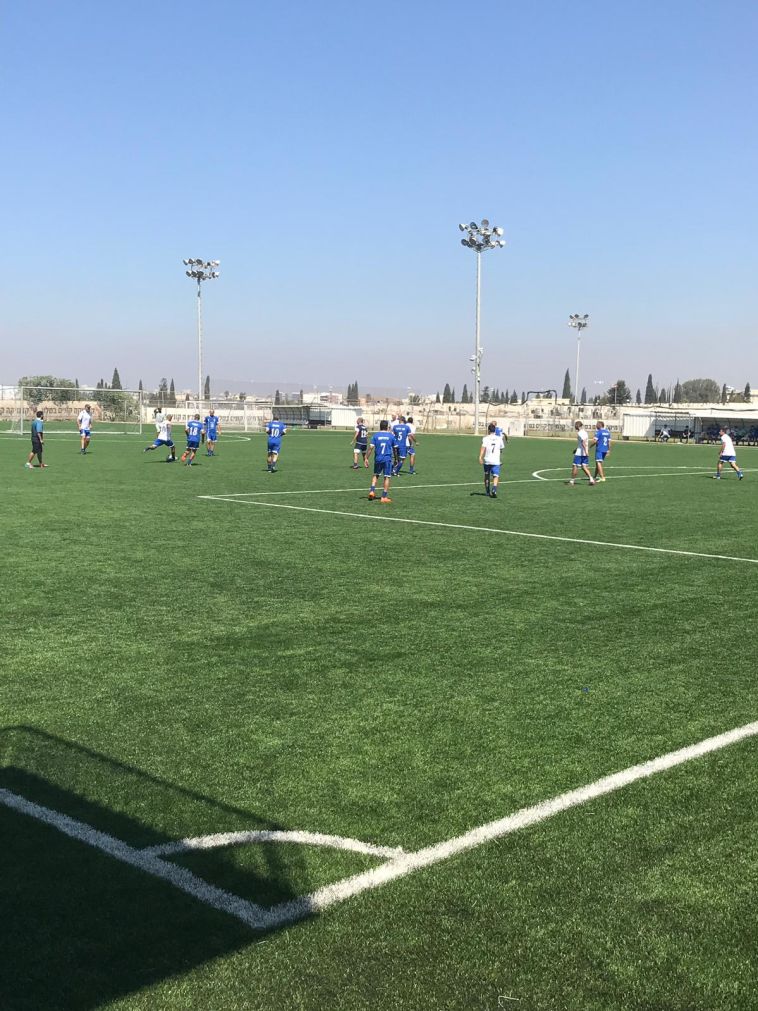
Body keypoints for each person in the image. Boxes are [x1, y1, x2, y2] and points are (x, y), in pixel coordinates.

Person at [365, 419, 397, 502]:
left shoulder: (375, 436)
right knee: (387, 477)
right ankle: (384, 497)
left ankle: (372, 491)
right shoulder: (391, 436)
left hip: (378, 459)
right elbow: (395, 449)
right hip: (387, 459)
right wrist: (396, 459)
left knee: (376, 475)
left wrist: (366, 458)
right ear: (387, 427)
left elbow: (371, 448)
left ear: (380, 426)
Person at [479, 422, 506, 498]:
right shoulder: (499, 438)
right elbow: (501, 448)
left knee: (486, 475)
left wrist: (480, 457)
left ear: (488, 430)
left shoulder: (485, 438)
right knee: (495, 476)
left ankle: (487, 492)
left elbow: (483, 448)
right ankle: (494, 489)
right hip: (496, 461)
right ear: (495, 430)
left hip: (487, 460)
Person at [568, 421, 596, 486]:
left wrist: (586, 451)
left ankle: (572, 481)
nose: (575, 427)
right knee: (584, 467)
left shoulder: (580, 433)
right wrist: (577, 449)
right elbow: (583, 443)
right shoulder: (585, 432)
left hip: (580, 454)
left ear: (577, 426)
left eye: (576, 426)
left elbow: (583, 442)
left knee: (575, 466)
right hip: (583, 453)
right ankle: (591, 480)